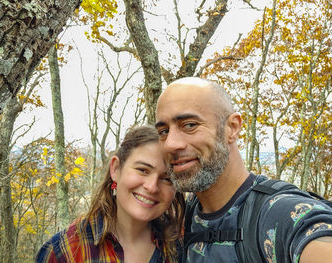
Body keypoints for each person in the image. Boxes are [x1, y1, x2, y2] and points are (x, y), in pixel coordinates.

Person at [155, 77, 332, 263]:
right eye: (164, 131)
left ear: (232, 128)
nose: (171, 144)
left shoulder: (279, 215)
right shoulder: (186, 214)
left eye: (190, 125)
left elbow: (313, 233)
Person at [35, 125, 185, 263]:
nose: (152, 187)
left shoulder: (179, 246)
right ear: (115, 169)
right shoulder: (66, 251)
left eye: (167, 179)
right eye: (143, 170)